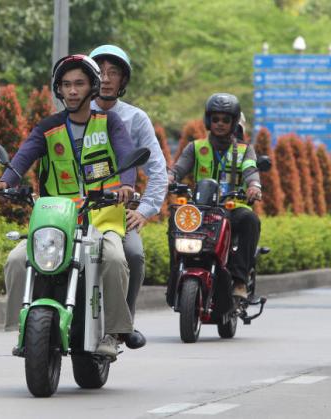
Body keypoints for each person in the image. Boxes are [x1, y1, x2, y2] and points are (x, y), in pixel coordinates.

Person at [0, 54, 136, 358]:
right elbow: (24, 156)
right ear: (58, 89)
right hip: (57, 220)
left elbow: (125, 154)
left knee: (115, 258)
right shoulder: (48, 128)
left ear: (92, 87)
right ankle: (24, 324)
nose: (71, 91)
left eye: (79, 84)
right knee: (17, 259)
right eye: (66, 85)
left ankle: (114, 331)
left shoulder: (110, 122)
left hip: (101, 219)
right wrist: (5, 181)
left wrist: (126, 184)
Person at [90, 44, 168, 349]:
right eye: (99, 73)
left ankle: (122, 324)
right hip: (77, 209)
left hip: (117, 213)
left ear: (123, 81)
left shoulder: (135, 119)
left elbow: (158, 169)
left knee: (133, 254)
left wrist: (145, 209)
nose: (106, 79)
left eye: (113, 73)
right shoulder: (74, 115)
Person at [167, 93, 262, 299]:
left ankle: (239, 281)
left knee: (250, 220)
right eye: (216, 119)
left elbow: (250, 170)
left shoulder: (245, 150)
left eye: (225, 120)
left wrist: (254, 186)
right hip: (201, 209)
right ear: (208, 121)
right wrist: (169, 177)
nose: (220, 124)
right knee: (175, 218)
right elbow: (178, 168)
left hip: (232, 207)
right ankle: (175, 273)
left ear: (234, 122)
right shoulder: (195, 147)